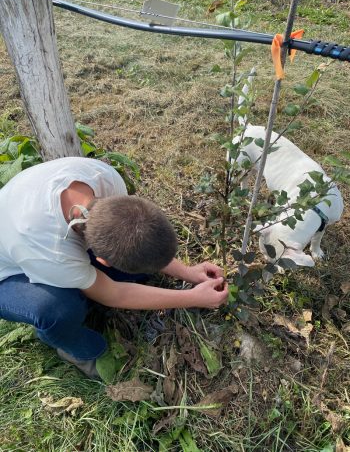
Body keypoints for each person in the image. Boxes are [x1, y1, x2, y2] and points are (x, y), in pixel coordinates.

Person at [0, 157, 228, 378]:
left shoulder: (106, 179)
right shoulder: (53, 253)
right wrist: (192, 297)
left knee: (134, 270)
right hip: (8, 274)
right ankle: (76, 350)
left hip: (25, 231)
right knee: (58, 309)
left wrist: (188, 272)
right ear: (101, 259)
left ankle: (83, 286)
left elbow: (133, 232)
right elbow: (114, 293)